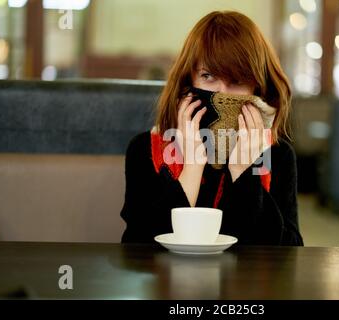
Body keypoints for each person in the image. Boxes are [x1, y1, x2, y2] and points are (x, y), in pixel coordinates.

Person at [120, 11, 304, 246]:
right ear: (188, 82)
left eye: (237, 81)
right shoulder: (147, 149)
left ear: (257, 89)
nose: (222, 93)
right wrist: (192, 169)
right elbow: (138, 245)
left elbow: (288, 252)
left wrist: (244, 171)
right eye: (208, 76)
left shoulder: (276, 154)